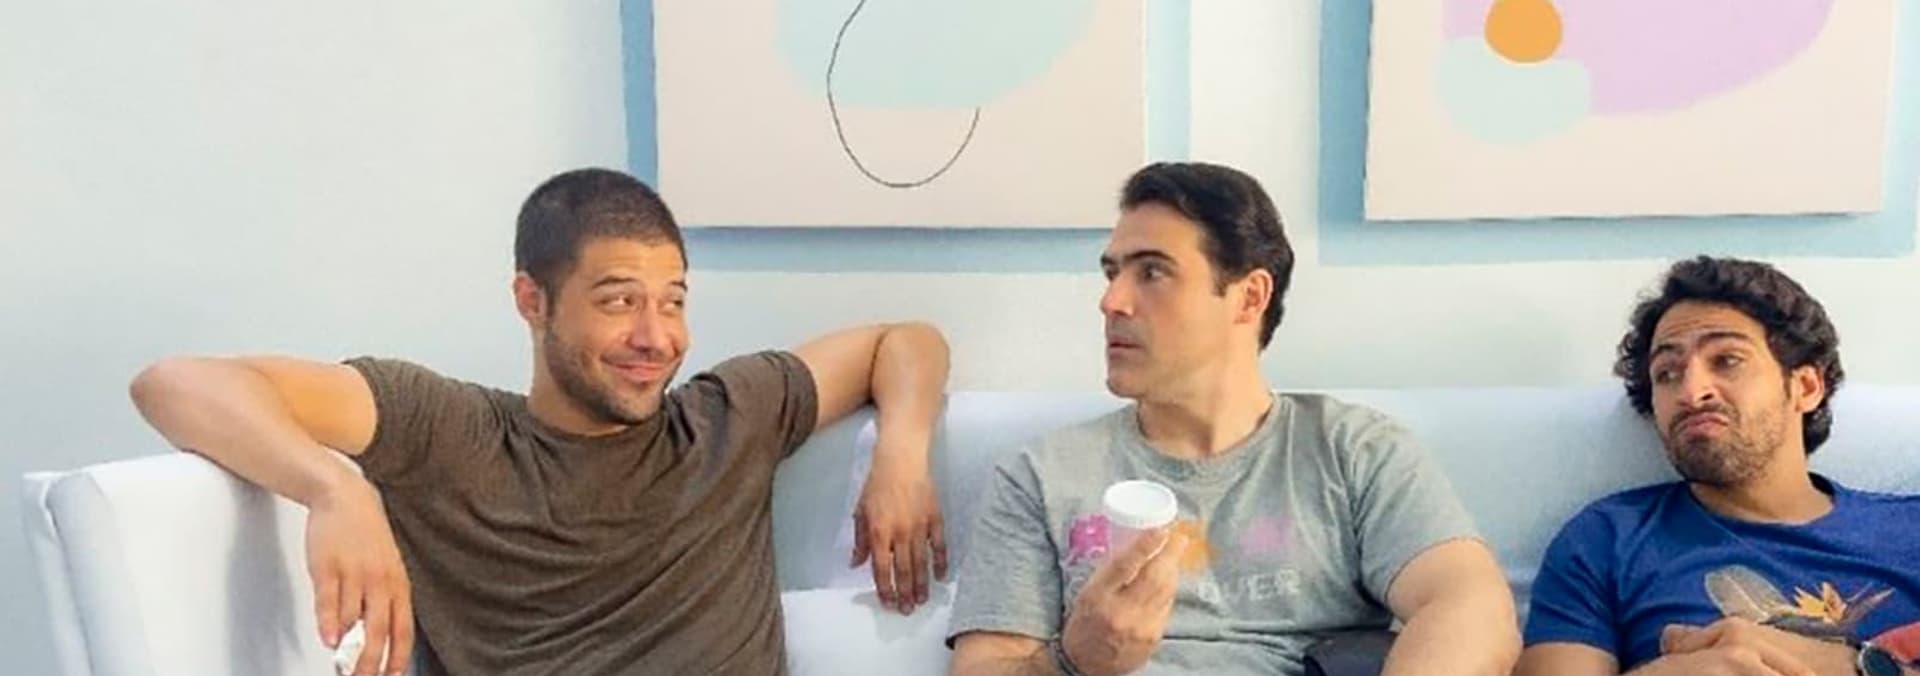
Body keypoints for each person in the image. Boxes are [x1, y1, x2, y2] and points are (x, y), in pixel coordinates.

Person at [130, 168, 952, 675]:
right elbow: (174, 383)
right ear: (533, 301)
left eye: (672, 302)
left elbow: (907, 340)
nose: (656, 337)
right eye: (619, 301)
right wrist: (332, 489)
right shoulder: (448, 432)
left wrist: (902, 454)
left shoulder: (726, 420)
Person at [944, 162, 1520, 675]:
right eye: (1111, 273)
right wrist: (1073, 661)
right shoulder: (1042, 476)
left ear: (1249, 297)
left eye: (1151, 272)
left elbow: (1473, 609)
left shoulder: (1355, 452)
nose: (1112, 301)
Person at [1516, 256, 1920, 676]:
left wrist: (1857, 668)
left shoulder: (1910, 529)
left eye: (1727, 360)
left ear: (1805, 387)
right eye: (1667, 373)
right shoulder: (1607, 540)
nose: (1692, 392)